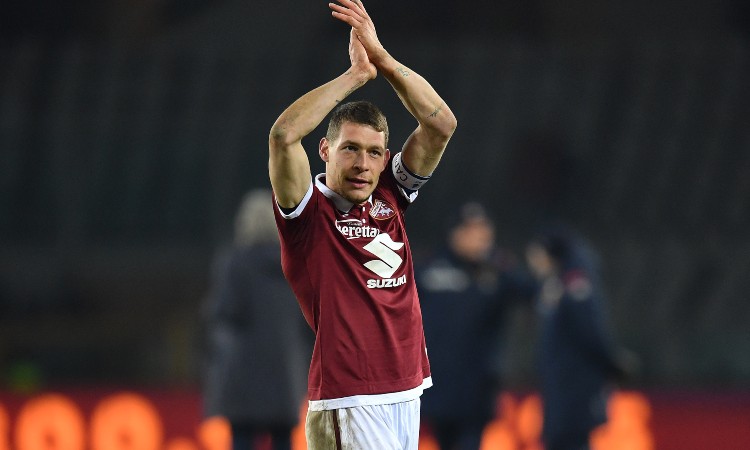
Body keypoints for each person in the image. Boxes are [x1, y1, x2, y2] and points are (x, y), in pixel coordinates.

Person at [267, 0, 457, 448]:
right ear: (325, 151)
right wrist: (355, 76)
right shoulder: (306, 212)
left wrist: (383, 59)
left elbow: (441, 125)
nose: (362, 164)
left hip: (407, 386)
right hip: (350, 396)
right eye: (350, 148)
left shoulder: (392, 194)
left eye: (374, 153)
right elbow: (283, 135)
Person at [201, 189, 313, 450]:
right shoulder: (295, 264)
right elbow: (308, 318)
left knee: (242, 439)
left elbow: (225, 314)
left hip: (243, 374)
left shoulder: (235, 264)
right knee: (283, 440)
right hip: (286, 370)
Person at [416, 202, 532, 450]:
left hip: (477, 388)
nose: (478, 239)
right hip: (438, 384)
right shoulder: (430, 269)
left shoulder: (498, 272)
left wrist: (503, 266)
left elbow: (532, 293)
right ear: (455, 234)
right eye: (470, 232)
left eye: (483, 232)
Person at [525, 226, 638, 450]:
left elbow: (591, 332)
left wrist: (611, 362)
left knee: (572, 441)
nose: (532, 261)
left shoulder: (576, 286)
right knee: (561, 440)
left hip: (575, 386)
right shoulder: (556, 286)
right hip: (562, 385)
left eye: (536, 254)